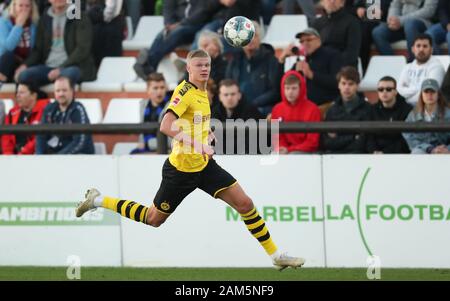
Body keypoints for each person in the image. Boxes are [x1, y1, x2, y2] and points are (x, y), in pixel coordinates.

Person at [75, 49, 305, 270]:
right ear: (188, 68)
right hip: (181, 171)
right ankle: (97, 200)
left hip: (204, 166)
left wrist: (207, 133)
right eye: (198, 65)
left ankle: (276, 255)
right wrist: (200, 144)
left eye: (207, 65)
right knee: (153, 219)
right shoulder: (184, 92)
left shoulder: (203, 92)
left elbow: (195, 121)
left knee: (245, 204)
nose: (204, 69)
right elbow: (165, 125)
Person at [15, 0, 96, 87]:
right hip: (48, 67)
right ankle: (42, 97)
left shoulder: (78, 16)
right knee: (24, 76)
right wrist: (25, 65)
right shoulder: (44, 19)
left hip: (73, 67)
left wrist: (61, 68)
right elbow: (38, 50)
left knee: (69, 74)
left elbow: (82, 49)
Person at [279, 27, 341, 117]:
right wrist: (281, 60)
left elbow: (337, 82)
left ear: (319, 40)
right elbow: (282, 84)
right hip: (300, 108)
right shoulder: (301, 60)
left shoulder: (332, 55)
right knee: (271, 119)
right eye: (302, 41)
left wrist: (312, 75)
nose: (305, 43)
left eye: (308, 40)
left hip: (325, 106)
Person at [226, 21, 282, 116]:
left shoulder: (271, 60)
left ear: (260, 38)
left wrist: (252, 105)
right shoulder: (234, 61)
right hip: (238, 110)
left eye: (254, 35)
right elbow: (227, 85)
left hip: (264, 111)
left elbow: (275, 91)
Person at [36, 76, 94, 154]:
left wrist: (59, 158)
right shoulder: (49, 109)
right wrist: (39, 156)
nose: (61, 94)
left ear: (72, 91)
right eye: (58, 91)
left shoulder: (77, 109)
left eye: (64, 90)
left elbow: (80, 142)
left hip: (79, 158)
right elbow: (41, 135)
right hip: (56, 157)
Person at [320, 66, 371, 153]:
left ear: (357, 86)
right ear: (338, 85)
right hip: (334, 158)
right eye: (343, 83)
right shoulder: (332, 111)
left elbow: (362, 143)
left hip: (359, 158)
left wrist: (339, 138)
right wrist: (353, 137)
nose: (346, 87)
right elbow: (327, 142)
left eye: (350, 84)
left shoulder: (368, 109)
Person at [271, 70, 321, 154]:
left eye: (294, 88)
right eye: (287, 88)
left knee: (294, 155)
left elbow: (312, 142)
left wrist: (290, 150)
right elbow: (277, 137)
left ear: (301, 88)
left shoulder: (313, 109)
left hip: (306, 152)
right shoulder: (277, 109)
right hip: (284, 150)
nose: (290, 92)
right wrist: (282, 148)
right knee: (273, 155)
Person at [211, 79, 265, 154]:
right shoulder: (215, 112)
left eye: (233, 94)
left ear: (239, 95)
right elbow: (213, 140)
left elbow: (254, 140)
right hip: (222, 157)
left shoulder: (251, 111)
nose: (229, 98)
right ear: (220, 97)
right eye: (226, 95)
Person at [371, 0, 438, 60]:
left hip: (421, 23)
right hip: (401, 24)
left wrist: (401, 20)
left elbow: (429, 10)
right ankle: (393, 65)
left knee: (410, 24)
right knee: (378, 32)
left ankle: (413, 63)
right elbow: (395, 5)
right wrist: (392, 20)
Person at [366, 76, 412, 154]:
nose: (384, 92)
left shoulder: (407, 110)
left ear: (395, 91)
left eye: (388, 89)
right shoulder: (372, 110)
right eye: (380, 89)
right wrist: (374, 150)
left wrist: (385, 152)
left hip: (398, 156)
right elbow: (368, 135)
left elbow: (406, 139)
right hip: (375, 155)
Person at [403, 78, 450, 154]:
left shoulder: (448, 113)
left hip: (445, 151)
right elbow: (409, 136)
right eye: (426, 92)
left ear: (438, 94)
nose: (429, 95)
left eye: (432, 91)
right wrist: (429, 149)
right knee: (417, 152)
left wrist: (447, 149)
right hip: (423, 150)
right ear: (421, 95)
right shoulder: (413, 115)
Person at [397, 34, 445, 105]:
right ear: (413, 49)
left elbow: (429, 94)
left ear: (431, 50)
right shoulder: (407, 67)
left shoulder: (437, 67)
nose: (421, 49)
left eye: (425, 46)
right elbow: (399, 89)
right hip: (406, 107)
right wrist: (417, 89)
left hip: (427, 107)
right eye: (418, 46)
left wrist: (408, 96)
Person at [311, 0, 361, 68]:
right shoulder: (317, 23)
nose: (332, 1)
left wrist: (331, 64)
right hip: (321, 69)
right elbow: (311, 49)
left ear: (342, 3)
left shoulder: (352, 22)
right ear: (322, 2)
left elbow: (352, 54)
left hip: (343, 70)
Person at [1, 83, 49, 154]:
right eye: (17, 92)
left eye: (22, 92)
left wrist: (23, 153)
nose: (17, 95)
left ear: (33, 96)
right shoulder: (12, 113)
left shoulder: (46, 110)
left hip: (36, 156)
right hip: (15, 158)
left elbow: (39, 138)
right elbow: (6, 138)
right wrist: (9, 156)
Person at [130, 72, 170, 154]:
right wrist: (142, 144)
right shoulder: (143, 105)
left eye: (162, 88)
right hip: (146, 148)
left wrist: (148, 144)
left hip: (165, 150)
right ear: (148, 90)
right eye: (155, 88)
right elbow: (142, 129)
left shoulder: (171, 106)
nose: (159, 91)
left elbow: (171, 139)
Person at [0, 0, 38, 83]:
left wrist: (25, 65)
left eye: (27, 6)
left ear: (31, 8)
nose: (23, 9)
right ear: (14, 7)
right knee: (8, 56)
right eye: (20, 5)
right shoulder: (3, 22)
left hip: (26, 63)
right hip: (8, 63)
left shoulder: (34, 24)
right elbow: (8, 47)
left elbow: (36, 49)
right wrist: (18, 26)